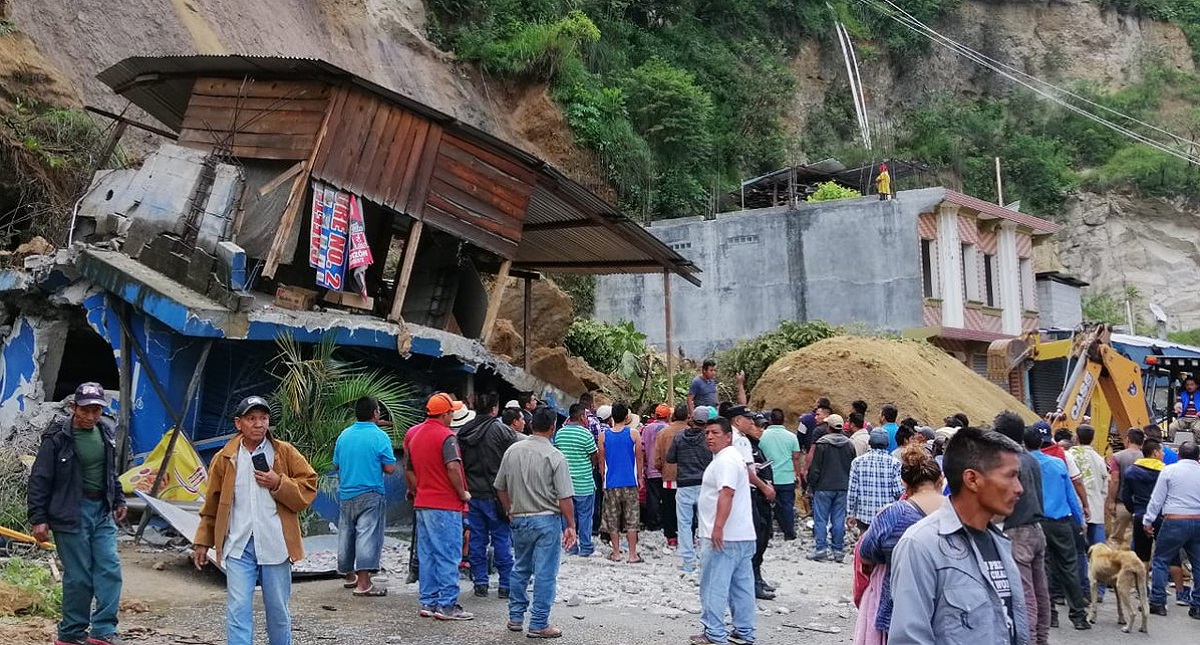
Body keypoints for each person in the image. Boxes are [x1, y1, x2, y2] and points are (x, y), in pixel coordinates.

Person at [193, 396, 319, 645]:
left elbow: (308, 487)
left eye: (263, 418)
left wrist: (278, 483)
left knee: (278, 612)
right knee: (238, 609)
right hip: (239, 546)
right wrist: (203, 541)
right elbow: (213, 504)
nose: (259, 424)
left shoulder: (284, 452)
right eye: (252, 418)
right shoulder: (225, 458)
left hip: (275, 545)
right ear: (239, 423)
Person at [888, 427, 1028, 645]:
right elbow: (909, 638)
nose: (1019, 488)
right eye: (1010, 476)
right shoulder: (921, 546)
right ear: (972, 479)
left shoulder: (1000, 542)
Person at [28, 383, 127, 645]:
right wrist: (38, 518)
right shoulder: (57, 438)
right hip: (70, 512)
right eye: (87, 410)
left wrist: (118, 498)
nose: (92, 416)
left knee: (110, 568)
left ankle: (104, 630)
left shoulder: (104, 432)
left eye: (97, 410)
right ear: (74, 408)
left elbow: (110, 472)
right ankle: (71, 633)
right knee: (80, 576)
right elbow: (40, 478)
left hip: (101, 510)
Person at [494, 406, 578, 638]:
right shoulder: (555, 456)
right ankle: (539, 622)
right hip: (546, 520)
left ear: (532, 425)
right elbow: (564, 497)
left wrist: (510, 510)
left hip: (520, 518)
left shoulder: (513, 451)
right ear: (553, 428)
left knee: (520, 567)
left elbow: (500, 486)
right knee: (545, 572)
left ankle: (515, 617)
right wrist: (570, 525)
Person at [855, 446, 945, 645]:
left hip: (898, 610)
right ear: (941, 479)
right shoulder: (958, 513)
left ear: (904, 483)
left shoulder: (893, 515)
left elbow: (866, 553)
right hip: (947, 614)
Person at [404, 393, 473, 620]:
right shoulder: (447, 437)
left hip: (423, 503)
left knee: (428, 554)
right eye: (451, 412)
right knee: (448, 554)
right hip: (445, 505)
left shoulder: (414, 435)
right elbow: (453, 468)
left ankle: (428, 602)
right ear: (445, 414)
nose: (452, 415)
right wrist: (462, 492)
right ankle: (447, 605)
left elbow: (409, 470)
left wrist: (417, 491)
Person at [690, 417, 756, 645]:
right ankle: (744, 632)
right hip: (742, 534)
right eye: (707, 432)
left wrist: (717, 527)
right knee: (741, 587)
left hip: (722, 536)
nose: (709, 436)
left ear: (728, 436)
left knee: (713, 586)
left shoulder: (725, 461)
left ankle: (715, 633)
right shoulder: (734, 458)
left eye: (715, 433)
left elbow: (726, 493)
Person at [1023, 428, 1090, 631]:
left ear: (1024, 444)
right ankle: (1078, 616)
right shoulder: (1058, 463)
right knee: (1069, 567)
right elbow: (1071, 496)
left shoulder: (1023, 466)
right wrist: (1080, 520)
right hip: (1061, 523)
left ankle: (1050, 615)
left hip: (1036, 523)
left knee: (1043, 570)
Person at [993, 411, 1048, 645]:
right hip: (1037, 529)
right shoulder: (1032, 459)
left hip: (1017, 531)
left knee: (1024, 593)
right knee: (1040, 589)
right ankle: (1041, 638)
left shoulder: (1010, 462)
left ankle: (1029, 640)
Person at [333, 396, 397, 597]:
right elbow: (390, 468)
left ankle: (349, 576)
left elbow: (336, 464)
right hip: (370, 494)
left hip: (346, 493)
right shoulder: (380, 436)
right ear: (375, 413)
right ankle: (363, 584)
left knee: (346, 534)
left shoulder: (344, 435)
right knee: (367, 537)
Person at [456, 393, 519, 598]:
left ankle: (480, 583)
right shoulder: (501, 430)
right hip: (497, 494)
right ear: (495, 408)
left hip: (472, 494)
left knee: (476, 540)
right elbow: (513, 458)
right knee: (501, 539)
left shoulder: (464, 430)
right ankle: (505, 585)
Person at [1143, 441, 1200, 619]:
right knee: (1198, 564)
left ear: (1179, 455)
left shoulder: (1169, 470)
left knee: (1161, 560)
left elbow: (1157, 499)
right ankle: (1197, 605)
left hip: (1174, 520)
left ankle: (1158, 602)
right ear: (1198, 457)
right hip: (1197, 520)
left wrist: (1148, 520)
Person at [727, 405, 777, 599]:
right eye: (752, 422)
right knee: (756, 536)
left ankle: (755, 577)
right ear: (738, 421)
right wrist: (764, 487)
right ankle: (751, 581)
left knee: (762, 535)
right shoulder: (741, 442)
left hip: (756, 494)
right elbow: (746, 472)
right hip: (751, 494)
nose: (755, 427)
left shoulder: (751, 443)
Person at [668, 406, 715, 572]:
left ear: (692, 419)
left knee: (684, 524)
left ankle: (688, 562)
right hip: (704, 485)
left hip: (684, 485)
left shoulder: (679, 436)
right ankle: (704, 558)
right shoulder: (708, 439)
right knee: (705, 523)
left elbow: (670, 458)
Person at [807, 413, 856, 562]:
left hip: (823, 487)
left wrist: (811, 485)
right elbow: (851, 467)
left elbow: (815, 469)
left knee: (821, 518)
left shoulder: (822, 444)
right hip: (842, 487)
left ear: (829, 427)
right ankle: (838, 550)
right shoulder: (849, 444)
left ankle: (821, 549)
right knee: (838, 518)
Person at [552, 404, 599, 557]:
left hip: (564, 483)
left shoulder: (559, 433)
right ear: (581, 417)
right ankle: (585, 546)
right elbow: (594, 457)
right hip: (584, 483)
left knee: (567, 516)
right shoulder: (586, 435)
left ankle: (570, 546)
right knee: (585, 516)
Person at [598, 403, 643, 562]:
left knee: (612, 519)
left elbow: (601, 462)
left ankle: (616, 553)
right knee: (632, 520)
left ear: (611, 417)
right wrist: (641, 478)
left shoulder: (603, 436)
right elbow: (639, 459)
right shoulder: (634, 434)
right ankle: (632, 554)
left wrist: (603, 479)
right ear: (626, 417)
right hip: (630, 482)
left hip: (611, 483)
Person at [846, 429, 903, 531]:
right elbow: (898, 491)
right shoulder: (895, 463)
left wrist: (850, 513)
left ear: (869, 443)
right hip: (886, 516)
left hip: (863, 516)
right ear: (887, 444)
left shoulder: (857, 462)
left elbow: (852, 491)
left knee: (863, 542)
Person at [759, 409, 801, 540]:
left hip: (768, 479)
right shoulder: (791, 436)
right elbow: (795, 458)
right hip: (786, 477)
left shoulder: (762, 436)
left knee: (766, 507)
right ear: (783, 420)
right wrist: (797, 475)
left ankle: (768, 532)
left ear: (770, 420)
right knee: (787, 505)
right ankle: (789, 533)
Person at [653, 404, 690, 548]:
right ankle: (687, 535)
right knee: (687, 508)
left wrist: (661, 468)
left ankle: (671, 537)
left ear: (673, 417)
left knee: (669, 507)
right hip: (687, 477)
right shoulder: (691, 432)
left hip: (668, 476)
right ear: (687, 417)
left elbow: (657, 459)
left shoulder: (663, 433)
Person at [1108, 427, 1145, 547]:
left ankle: (1113, 564)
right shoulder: (1147, 457)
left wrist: (1111, 501)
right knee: (1138, 540)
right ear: (1142, 441)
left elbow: (1115, 480)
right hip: (1141, 506)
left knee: (1115, 539)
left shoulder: (1117, 457)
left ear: (1128, 440)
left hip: (1122, 503)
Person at [641, 404, 671, 533]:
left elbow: (642, 449)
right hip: (666, 470)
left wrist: (643, 467)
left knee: (652, 497)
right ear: (668, 416)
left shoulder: (647, 429)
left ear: (655, 414)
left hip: (651, 469)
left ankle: (653, 523)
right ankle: (665, 521)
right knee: (667, 497)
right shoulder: (669, 429)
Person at [1169, 376, 1200, 443]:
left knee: (1197, 429)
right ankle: (1173, 441)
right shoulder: (1182, 394)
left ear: (1197, 385)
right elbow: (1179, 403)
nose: (1189, 386)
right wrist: (1178, 408)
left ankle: (1195, 443)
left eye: (1192, 385)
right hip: (1183, 418)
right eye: (1187, 385)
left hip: (1196, 419)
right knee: (1172, 426)